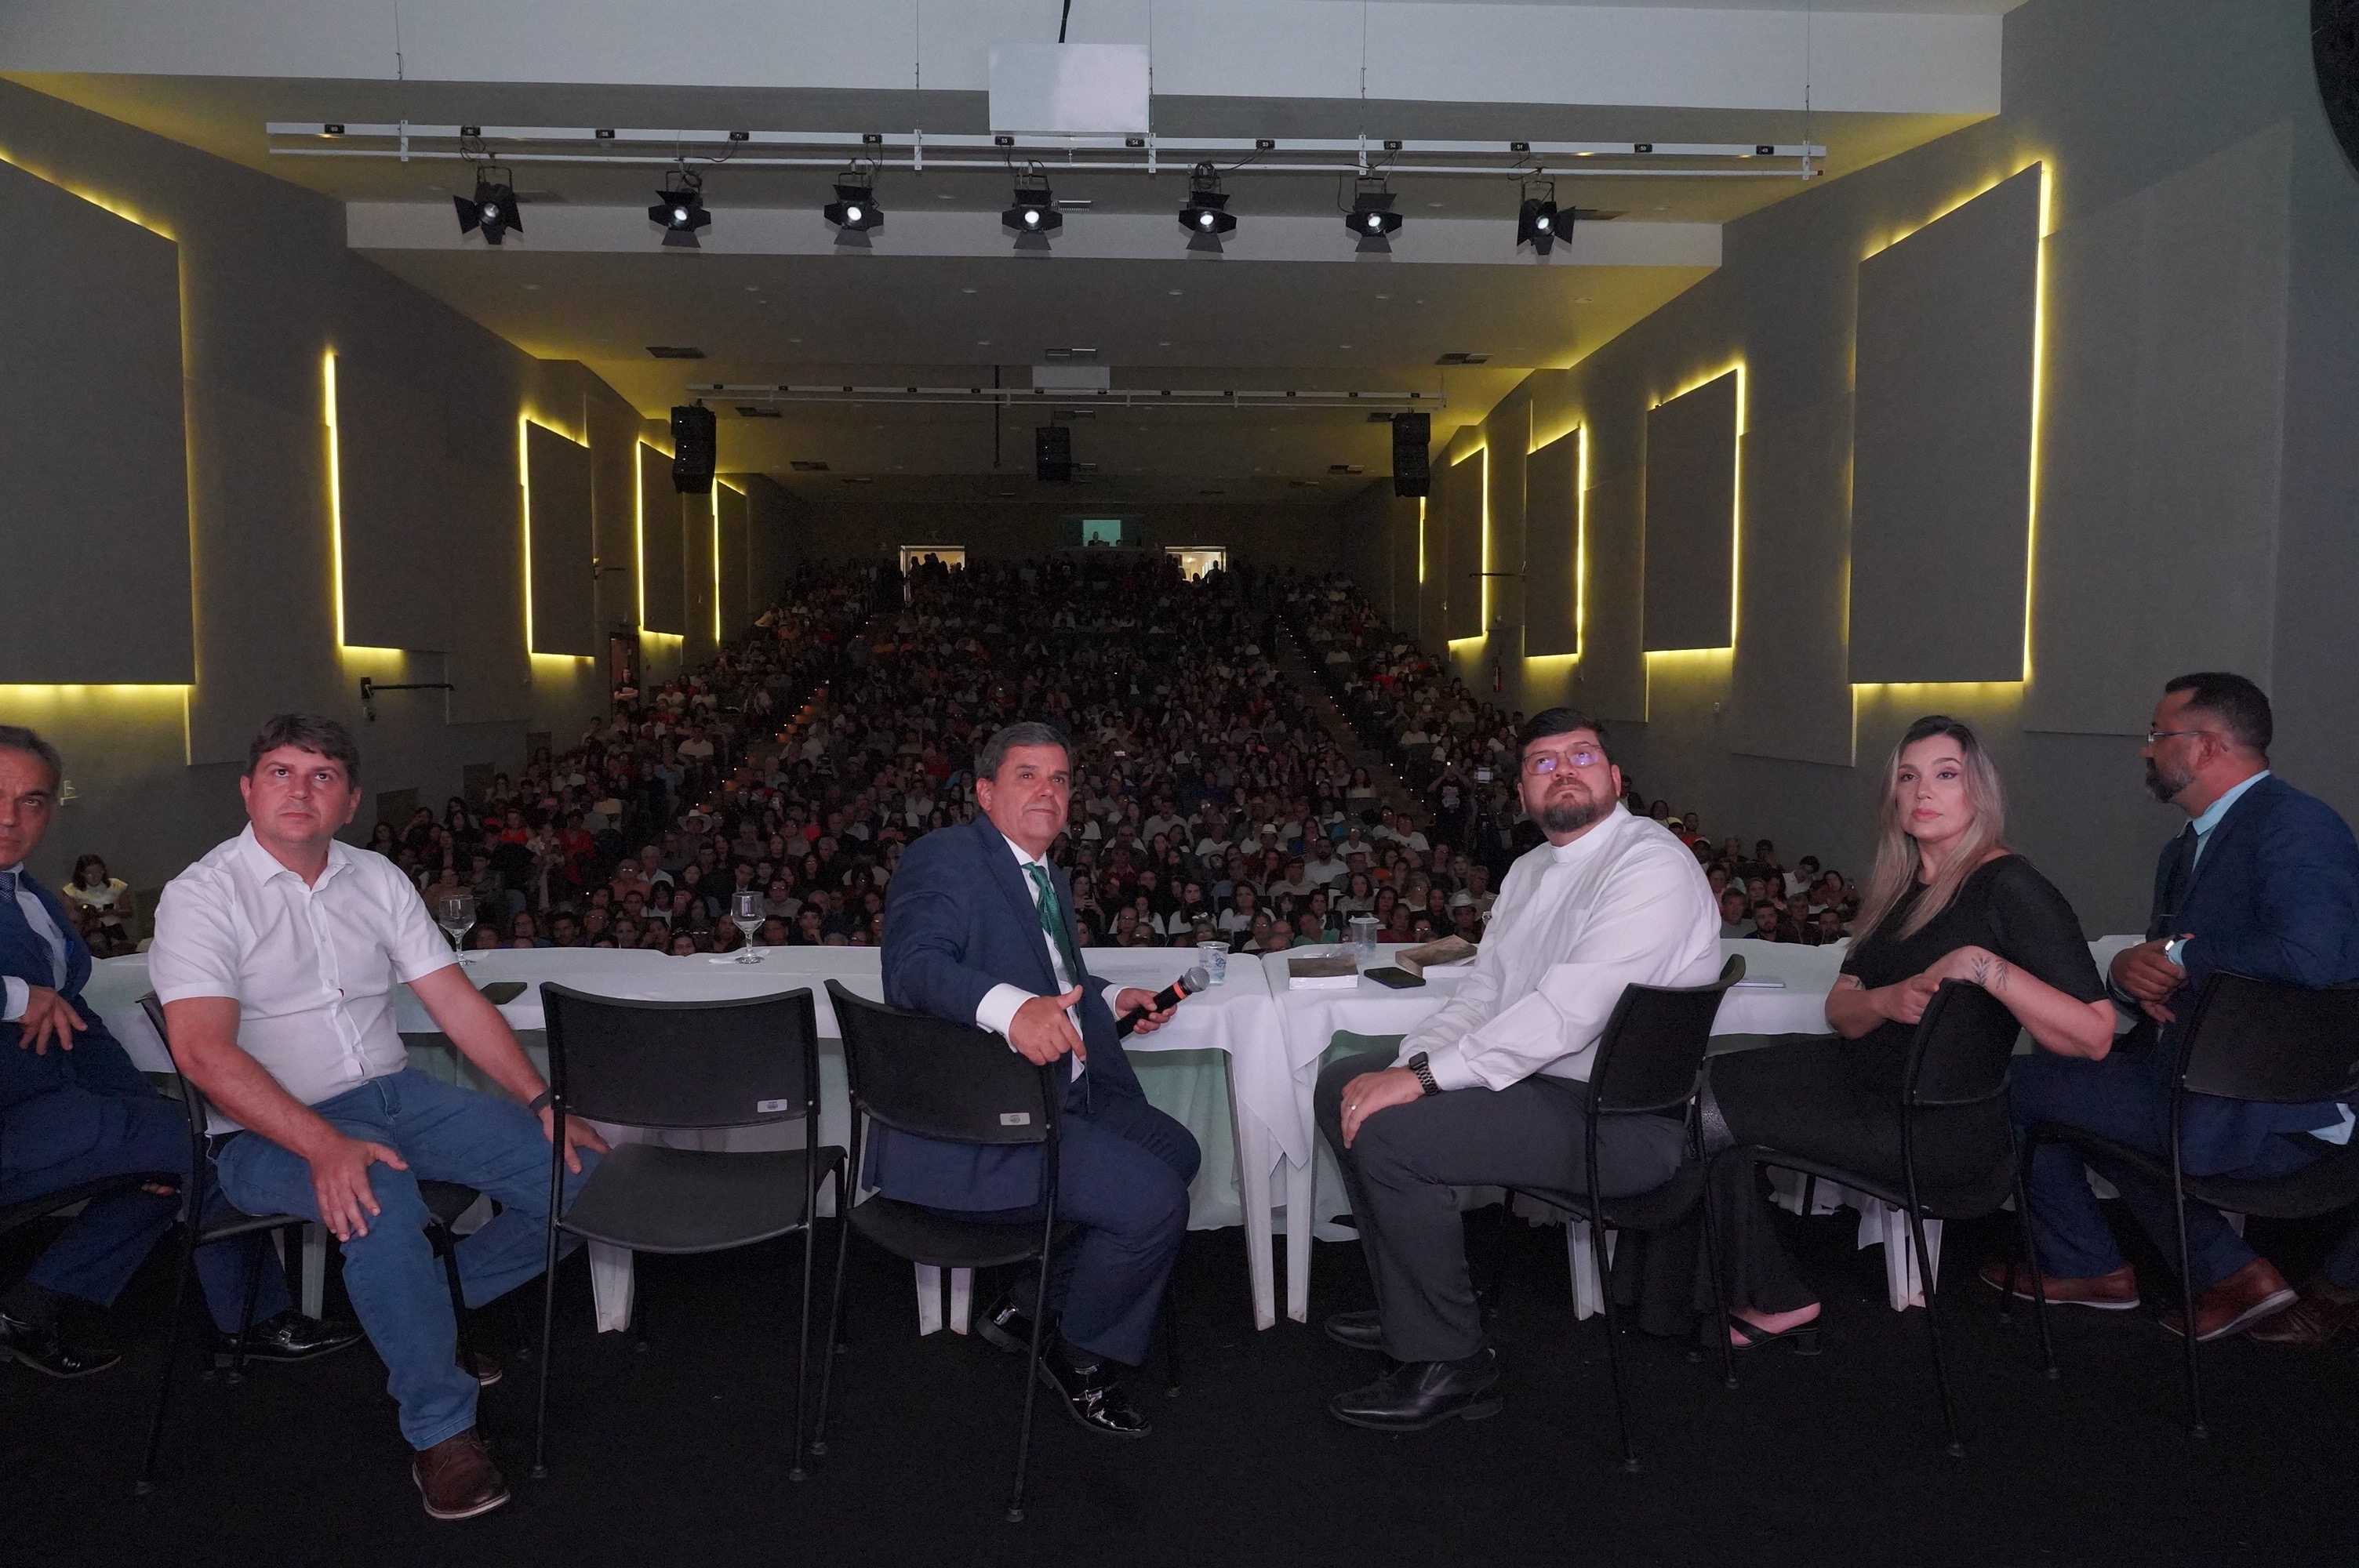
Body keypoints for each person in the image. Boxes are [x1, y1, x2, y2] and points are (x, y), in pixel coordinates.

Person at [149, 715, 609, 1521]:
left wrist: (544, 1102)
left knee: (586, 1175)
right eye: (281, 772)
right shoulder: (203, 895)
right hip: (269, 1129)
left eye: (322, 775)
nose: (300, 789)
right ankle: (441, 1429)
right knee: (381, 1204)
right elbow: (204, 1053)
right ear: (248, 789)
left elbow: (454, 1001)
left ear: (350, 800)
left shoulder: (376, 876)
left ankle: (424, 1311)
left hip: (400, 1096)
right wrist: (325, 1144)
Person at [1314, 708, 1719, 1430]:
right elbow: (1482, 996)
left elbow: (1567, 1015)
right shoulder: (1531, 870)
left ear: (1616, 777)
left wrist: (1424, 1081)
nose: (1563, 770)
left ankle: (1452, 1363)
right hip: (1543, 1085)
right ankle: (1412, 1308)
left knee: (1391, 1136)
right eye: (1542, 762)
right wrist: (1410, 1063)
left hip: (1616, 1120)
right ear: (1524, 794)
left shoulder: (1650, 864)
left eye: (1581, 756)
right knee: (1342, 1083)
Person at [1698, 716, 2112, 1351]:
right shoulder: (1901, 886)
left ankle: (1760, 1297)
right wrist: (1888, 1000)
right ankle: (1753, 1288)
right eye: (1908, 777)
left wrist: (1980, 964)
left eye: (1946, 775)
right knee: (1703, 1090)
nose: (1924, 792)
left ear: (1979, 790)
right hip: (1864, 1083)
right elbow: (1843, 1011)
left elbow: (2094, 1035)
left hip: (1933, 1126)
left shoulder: (2011, 886)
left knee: (1712, 1115)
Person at [1997, 674, 2359, 1344]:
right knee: (2058, 1083)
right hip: (2194, 1084)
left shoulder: (2297, 826)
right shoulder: (2186, 848)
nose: (2147, 749)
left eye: (2159, 734)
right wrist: (2129, 975)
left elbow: (2311, 956)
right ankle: (2218, 1271)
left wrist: (2181, 957)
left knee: (2009, 1086)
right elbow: (2165, 963)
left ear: (2207, 745)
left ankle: (2108, 1267)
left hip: (2269, 1114)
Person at [0, 726, 359, 1379]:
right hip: (16, 1120)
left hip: (59, 1105)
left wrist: (140, 1108)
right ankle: (252, 1322)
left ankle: (27, 1309)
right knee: (211, 1145)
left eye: (31, 800)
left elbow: (75, 1020)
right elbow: (36, 1006)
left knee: (170, 1167)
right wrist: (12, 995)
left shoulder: (28, 894)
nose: (10, 817)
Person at [878, 720, 1200, 1439]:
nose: (1047, 791)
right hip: (986, 1123)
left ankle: (1027, 1304)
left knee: (1177, 1152)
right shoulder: (945, 858)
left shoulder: (1042, 872)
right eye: (1027, 775)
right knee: (1153, 1202)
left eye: (1059, 779)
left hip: (1059, 1095)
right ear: (985, 793)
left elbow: (1049, 972)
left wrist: (1110, 996)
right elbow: (913, 968)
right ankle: (1079, 1356)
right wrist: (1012, 1010)